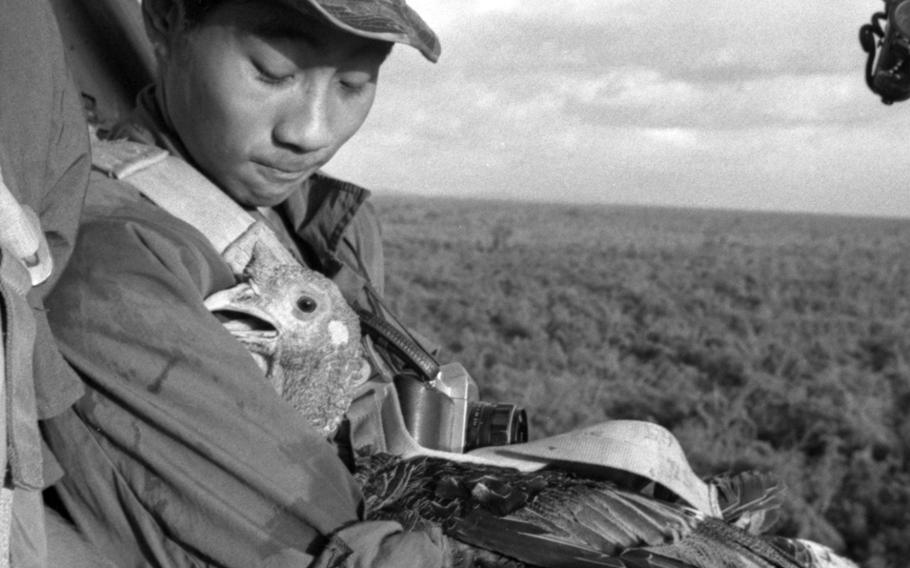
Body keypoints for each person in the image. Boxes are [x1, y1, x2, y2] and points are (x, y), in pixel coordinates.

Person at [40, 0, 456, 566]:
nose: (310, 133)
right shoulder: (113, 259)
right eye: (273, 72)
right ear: (165, 20)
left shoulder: (320, 221)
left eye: (354, 83)